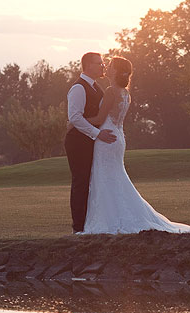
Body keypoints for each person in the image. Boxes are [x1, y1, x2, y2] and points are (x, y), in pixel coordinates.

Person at [80, 56, 190, 235]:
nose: (107, 66)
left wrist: (75, 121)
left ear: (115, 71)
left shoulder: (111, 91)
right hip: (118, 137)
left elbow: (99, 119)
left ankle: (110, 220)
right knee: (115, 176)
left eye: (110, 65)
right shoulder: (125, 93)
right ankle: (119, 215)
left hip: (106, 138)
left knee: (105, 176)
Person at [65, 52, 117, 233]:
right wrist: (97, 133)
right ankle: (78, 227)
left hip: (91, 140)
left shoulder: (96, 87)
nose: (103, 66)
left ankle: (90, 223)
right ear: (87, 65)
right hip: (78, 141)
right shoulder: (79, 88)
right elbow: (75, 117)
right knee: (81, 181)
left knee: (91, 180)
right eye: (99, 63)